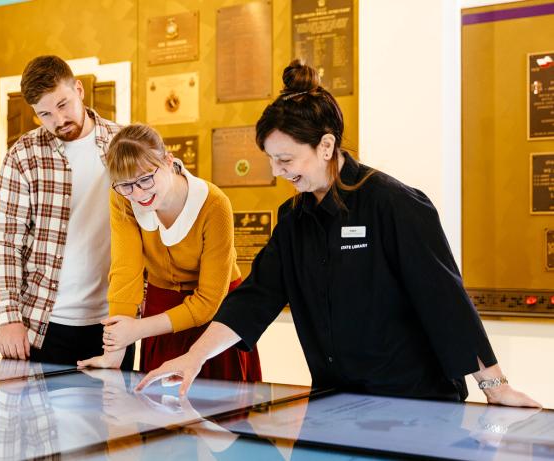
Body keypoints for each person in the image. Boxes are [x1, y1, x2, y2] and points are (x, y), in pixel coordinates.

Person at [137, 60, 540, 408]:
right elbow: (256, 297)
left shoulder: (393, 204)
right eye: (271, 161)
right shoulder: (293, 219)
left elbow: (445, 299)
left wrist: (494, 386)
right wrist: (193, 357)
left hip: (415, 401)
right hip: (336, 401)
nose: (277, 172)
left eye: (286, 159)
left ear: (326, 145)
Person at [77, 124, 261, 383]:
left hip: (217, 313)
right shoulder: (123, 197)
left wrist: (137, 330)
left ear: (168, 161)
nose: (138, 194)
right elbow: (124, 273)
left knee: (216, 408)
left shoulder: (214, 204)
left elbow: (208, 302)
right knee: (158, 411)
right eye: (126, 185)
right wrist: (113, 353)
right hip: (160, 304)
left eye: (145, 179)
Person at [0, 55, 134, 368]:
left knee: (113, 416)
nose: (58, 119)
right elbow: (7, 241)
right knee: (36, 417)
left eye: (63, 104)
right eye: (44, 113)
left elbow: (163, 194)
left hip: (113, 323)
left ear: (79, 90)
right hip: (42, 323)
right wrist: (8, 318)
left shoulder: (123, 143)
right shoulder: (22, 155)